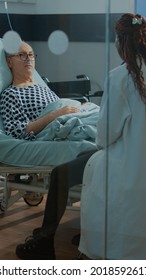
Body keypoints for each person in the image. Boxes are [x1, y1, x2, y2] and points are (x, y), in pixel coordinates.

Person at [79, 13, 146, 260]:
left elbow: (104, 136)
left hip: (130, 171)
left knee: (94, 168)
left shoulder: (120, 77)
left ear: (119, 42)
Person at [0, 41, 81, 140]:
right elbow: (16, 132)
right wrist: (55, 115)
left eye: (31, 55)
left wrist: (79, 106)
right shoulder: (11, 94)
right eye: (22, 55)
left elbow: (62, 107)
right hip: (58, 127)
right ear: (9, 62)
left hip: (74, 118)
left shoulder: (43, 89)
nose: (29, 58)